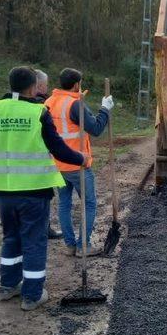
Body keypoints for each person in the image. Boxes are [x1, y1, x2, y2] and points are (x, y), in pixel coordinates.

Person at [0, 66, 90, 310]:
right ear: (34, 87)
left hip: (2, 189)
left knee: (11, 237)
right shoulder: (38, 113)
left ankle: (7, 286)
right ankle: (32, 295)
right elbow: (58, 149)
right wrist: (81, 158)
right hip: (33, 190)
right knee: (34, 240)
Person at [44, 68, 114, 257]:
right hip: (78, 164)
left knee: (64, 204)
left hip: (57, 165)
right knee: (89, 204)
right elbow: (96, 128)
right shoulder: (75, 105)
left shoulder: (48, 102)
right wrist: (105, 109)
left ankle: (69, 245)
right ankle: (83, 246)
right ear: (76, 84)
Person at [35, 69, 62, 240]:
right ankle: (43, 229)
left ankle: (45, 228)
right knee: (42, 197)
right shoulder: (39, 107)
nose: (47, 87)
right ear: (37, 85)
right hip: (38, 159)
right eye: (45, 84)